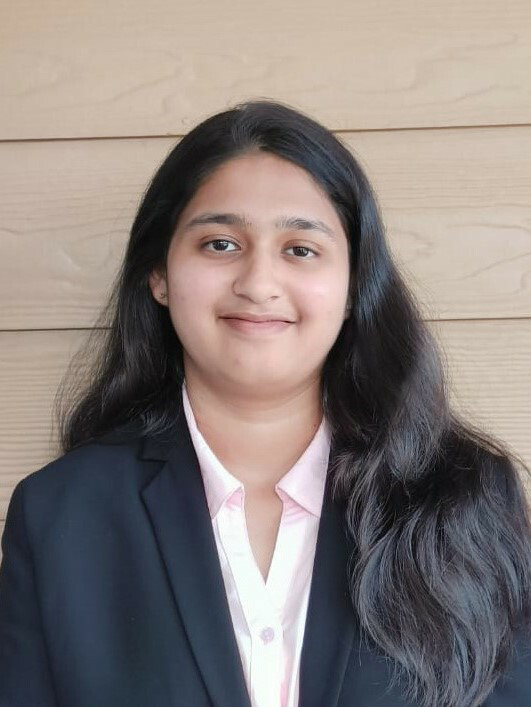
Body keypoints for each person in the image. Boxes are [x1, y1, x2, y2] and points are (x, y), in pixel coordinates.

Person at [0, 99, 530, 707]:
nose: (257, 283)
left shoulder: (463, 493)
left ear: (356, 285)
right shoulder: (60, 515)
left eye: (301, 249)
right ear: (160, 275)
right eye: (220, 244)